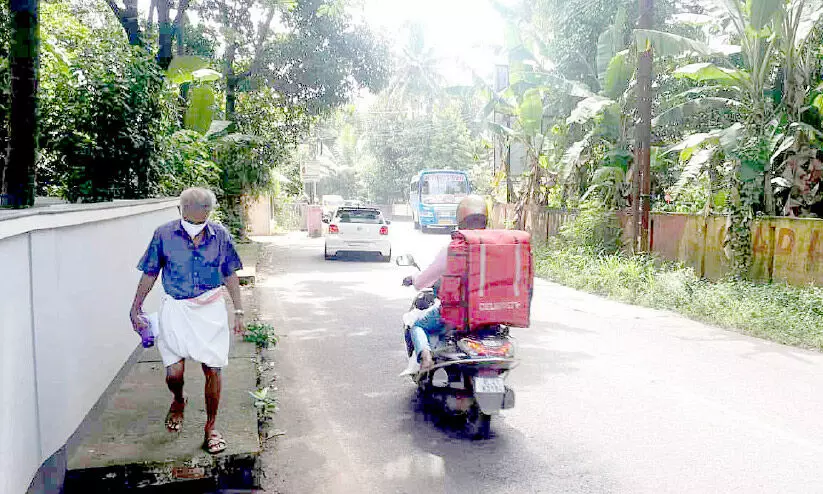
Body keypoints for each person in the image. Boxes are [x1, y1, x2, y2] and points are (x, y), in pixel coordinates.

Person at [129, 187, 245, 454]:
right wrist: (135, 307)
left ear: (209, 212)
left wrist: (239, 311)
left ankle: (211, 428)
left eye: (202, 215)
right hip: (177, 309)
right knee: (174, 373)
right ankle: (179, 399)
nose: (195, 222)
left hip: (210, 309)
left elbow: (230, 274)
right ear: (179, 210)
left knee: (213, 369)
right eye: (190, 214)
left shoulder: (221, 236)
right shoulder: (164, 234)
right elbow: (150, 272)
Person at [402, 195, 489, 371]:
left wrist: (414, 279)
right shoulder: (496, 247)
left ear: (461, 221)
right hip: (490, 313)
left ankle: (426, 358)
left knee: (418, 326)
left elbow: (422, 282)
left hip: (457, 311)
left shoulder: (453, 249)